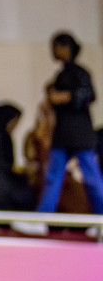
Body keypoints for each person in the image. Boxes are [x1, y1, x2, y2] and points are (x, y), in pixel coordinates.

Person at [37, 31, 103, 214]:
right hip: (63, 133)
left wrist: (65, 97)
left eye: (56, 46)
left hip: (79, 134)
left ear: (66, 48)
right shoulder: (61, 74)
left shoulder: (79, 73)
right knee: (53, 176)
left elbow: (89, 95)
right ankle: (43, 217)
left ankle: (101, 216)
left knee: (91, 176)